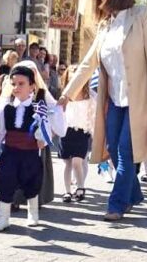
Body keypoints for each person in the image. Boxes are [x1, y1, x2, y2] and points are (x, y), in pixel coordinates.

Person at [58, 0, 147, 221]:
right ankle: (134, 195)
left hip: (139, 99)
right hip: (115, 101)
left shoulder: (142, 16)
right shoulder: (104, 26)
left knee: (126, 152)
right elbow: (88, 64)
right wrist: (66, 95)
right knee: (112, 147)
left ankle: (116, 205)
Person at [0, 64, 66, 231]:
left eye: (21, 84)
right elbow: (1, 131)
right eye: (14, 84)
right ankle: (3, 218)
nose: (16, 87)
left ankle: (33, 214)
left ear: (32, 85)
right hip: (10, 152)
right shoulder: (7, 108)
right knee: (5, 181)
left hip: (30, 153)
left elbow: (45, 129)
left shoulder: (38, 108)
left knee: (31, 183)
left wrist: (43, 139)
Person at [59, 64, 96, 203]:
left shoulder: (90, 95)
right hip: (66, 132)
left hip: (82, 132)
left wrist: (94, 133)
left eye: (77, 73)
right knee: (67, 163)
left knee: (77, 162)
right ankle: (67, 191)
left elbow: (94, 115)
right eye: (72, 72)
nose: (75, 75)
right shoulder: (64, 96)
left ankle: (80, 187)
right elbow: (58, 113)